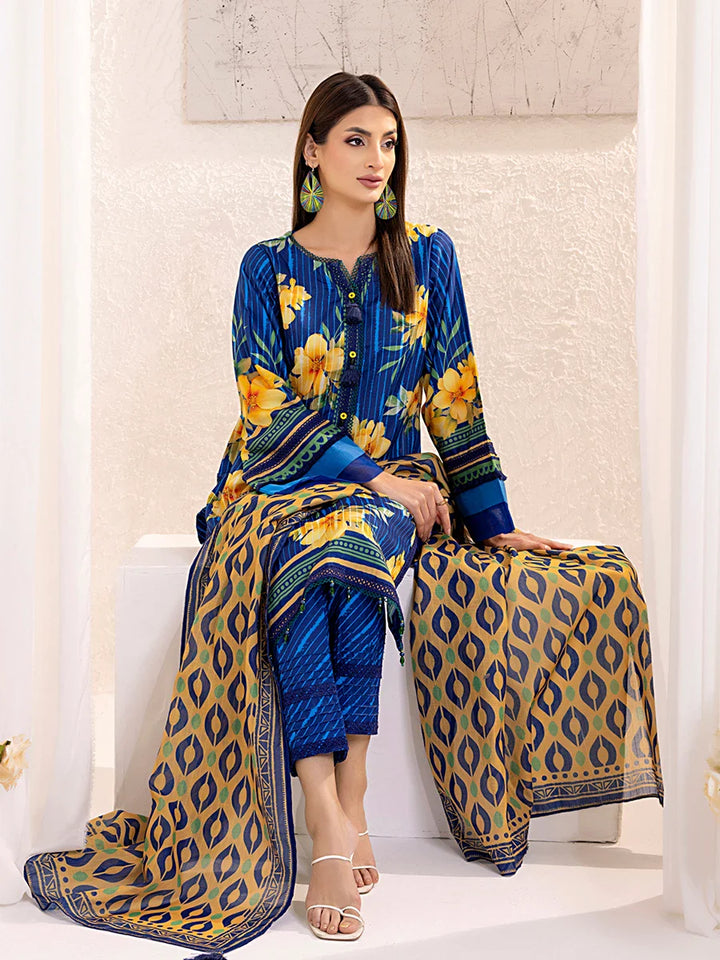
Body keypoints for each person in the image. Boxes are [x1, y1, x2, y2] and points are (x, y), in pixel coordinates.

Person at [23, 71, 664, 955]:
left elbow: (455, 396)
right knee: (300, 563)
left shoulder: (428, 257)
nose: (376, 159)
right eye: (356, 139)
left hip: (392, 486)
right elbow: (263, 405)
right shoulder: (266, 267)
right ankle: (325, 810)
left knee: (348, 561)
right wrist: (373, 479)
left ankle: (350, 787)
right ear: (313, 150)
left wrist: (491, 517)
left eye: (389, 142)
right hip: (273, 482)